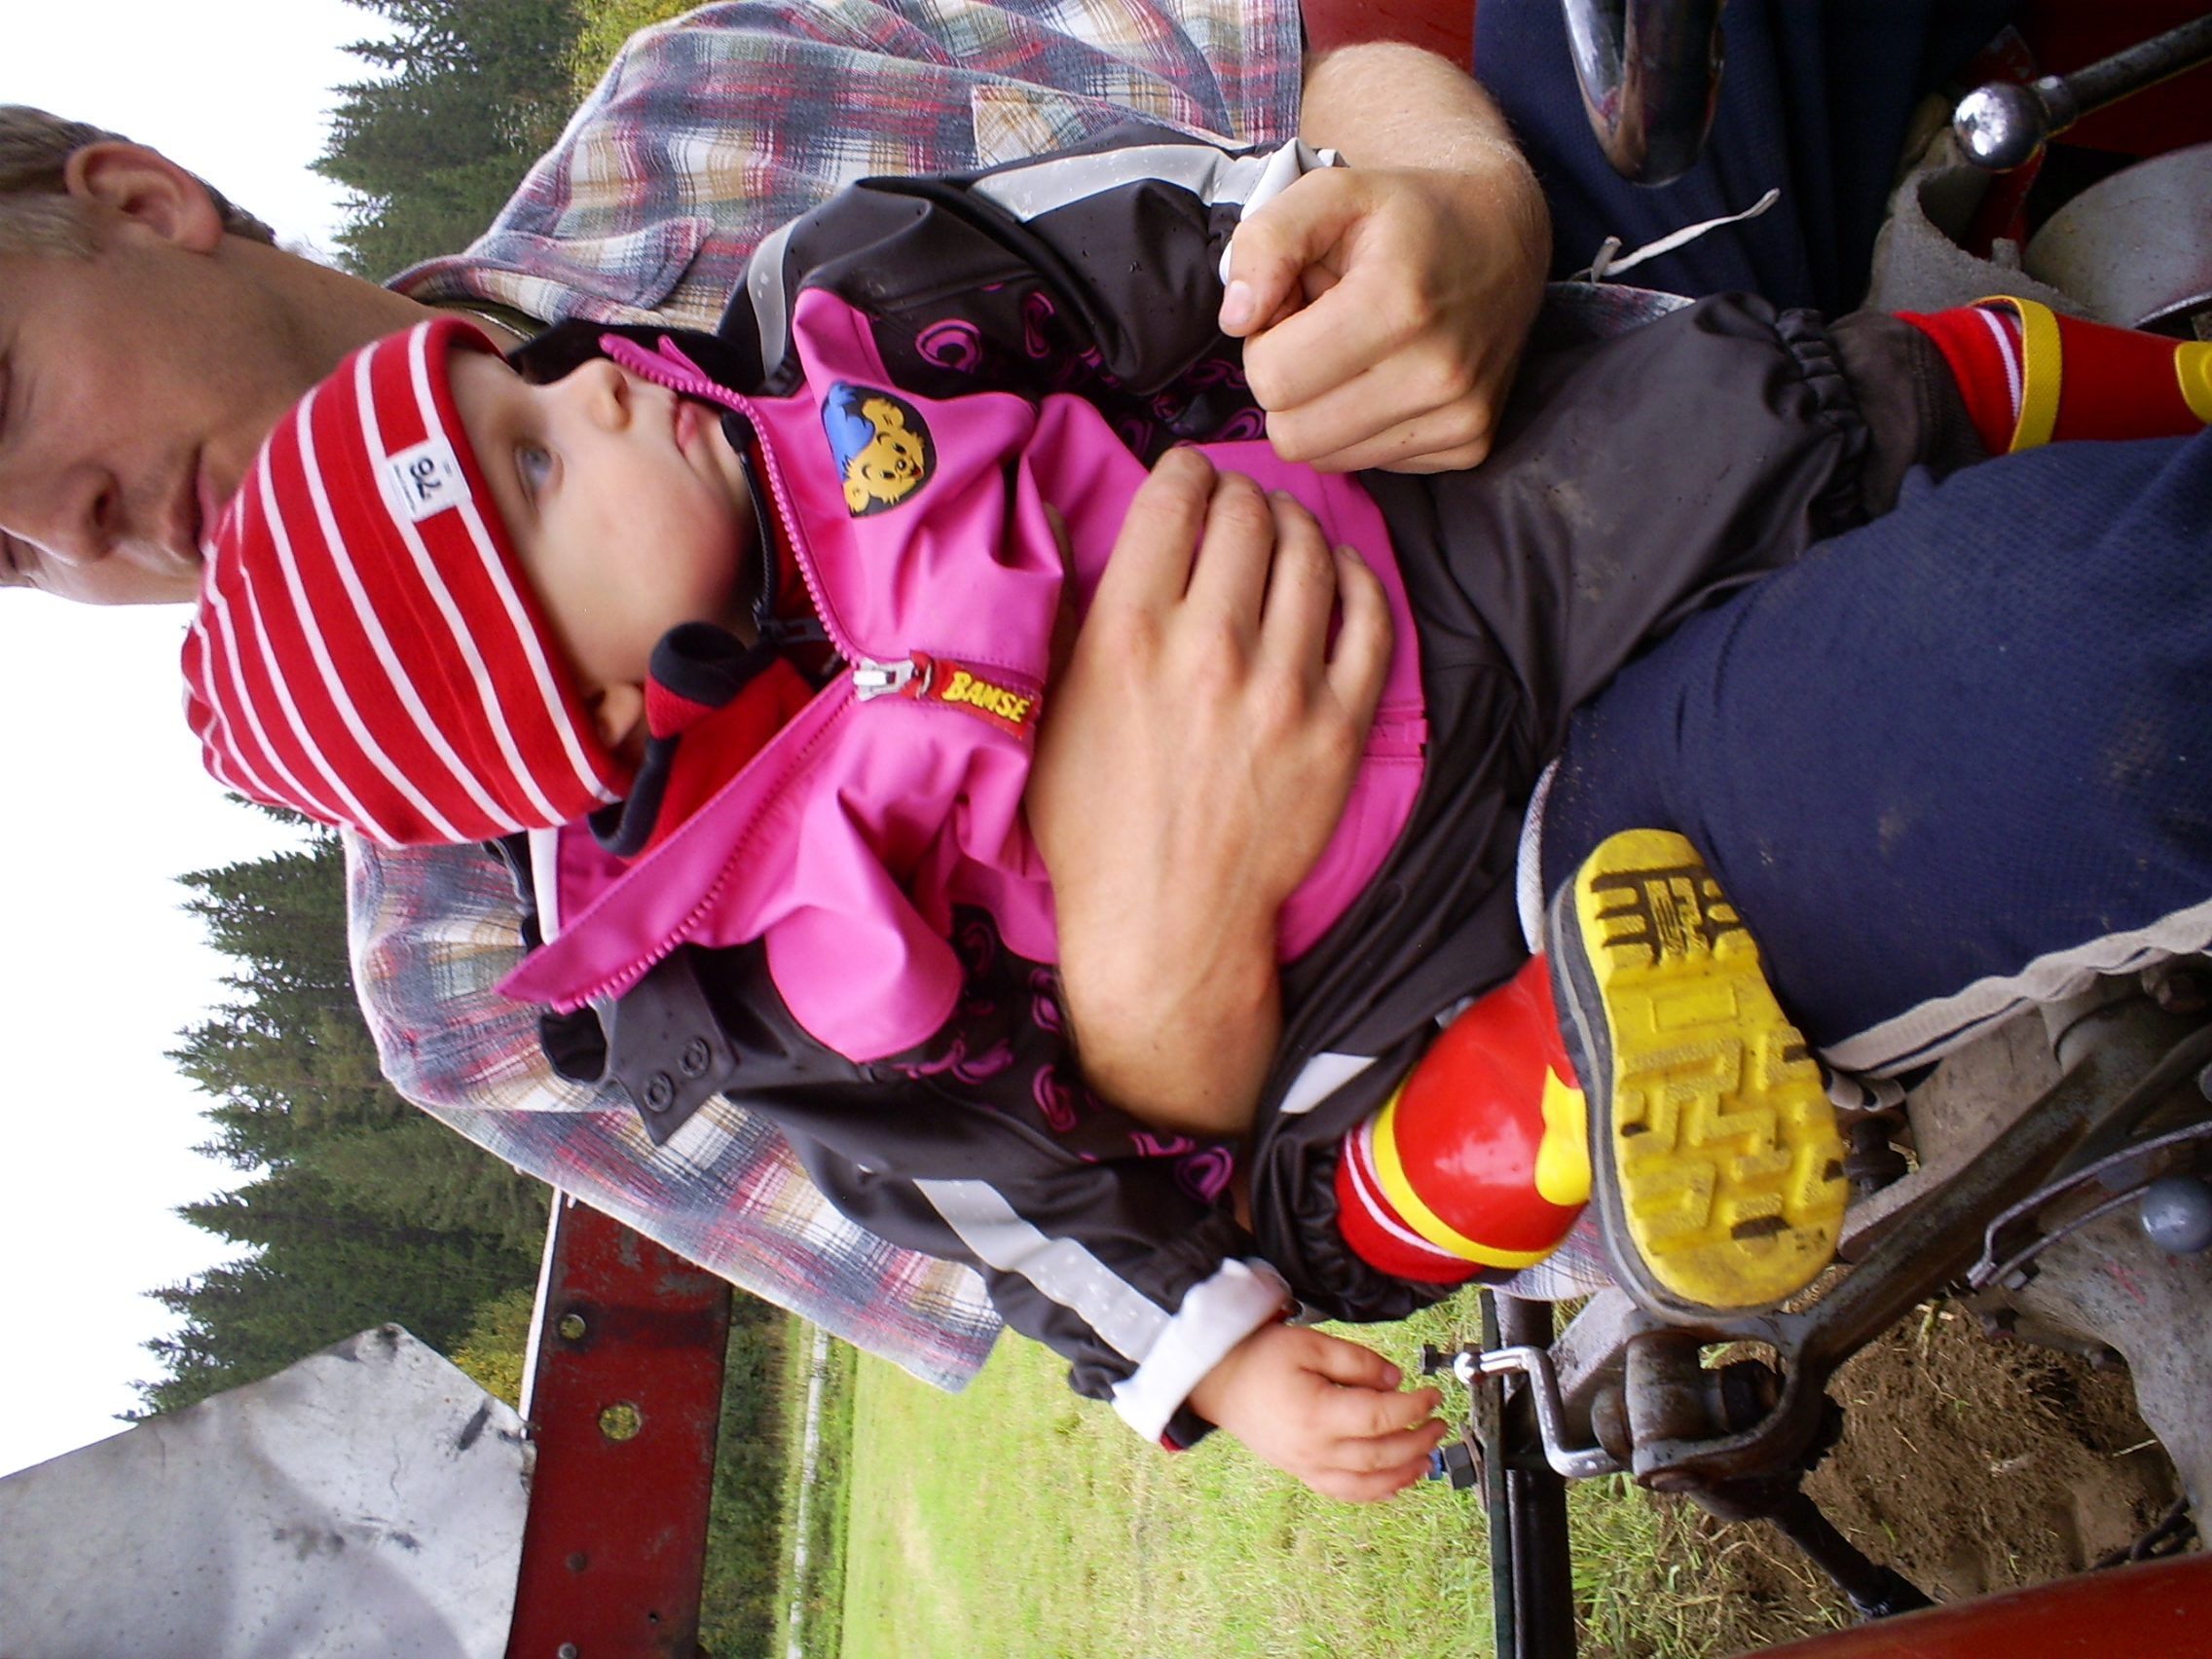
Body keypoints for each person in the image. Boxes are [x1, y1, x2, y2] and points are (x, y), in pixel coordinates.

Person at [179, 102, 2212, 1475]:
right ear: (596, 718)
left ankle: (2153, 384)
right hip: (1403, 941)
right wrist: (1215, 1357)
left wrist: (1297, 246)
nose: (595, 388)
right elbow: (998, 1197)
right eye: (537, 472)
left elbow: (1158, 247)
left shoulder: (856, 333)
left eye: (525, 382)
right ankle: (1584, 1072)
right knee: (1376, 1165)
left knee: (1841, 398)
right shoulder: (768, 966)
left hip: (1450, 545)